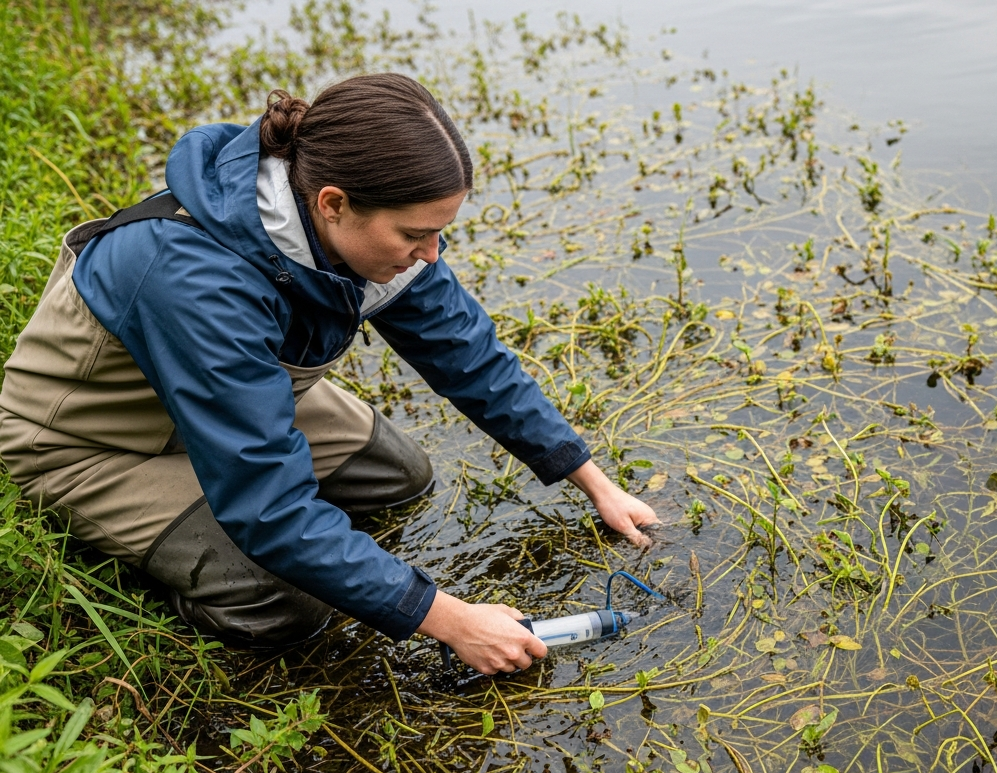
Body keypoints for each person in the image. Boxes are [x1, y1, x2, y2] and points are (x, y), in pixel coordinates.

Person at [0, 73, 659, 674]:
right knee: (284, 603)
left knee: (402, 477)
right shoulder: (194, 280)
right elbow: (270, 510)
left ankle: (228, 512)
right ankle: (176, 578)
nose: (431, 256)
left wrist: (592, 481)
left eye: (440, 232)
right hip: (91, 439)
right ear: (334, 204)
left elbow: (471, 358)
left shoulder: (374, 234)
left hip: (221, 398)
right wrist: (453, 621)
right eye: (415, 236)